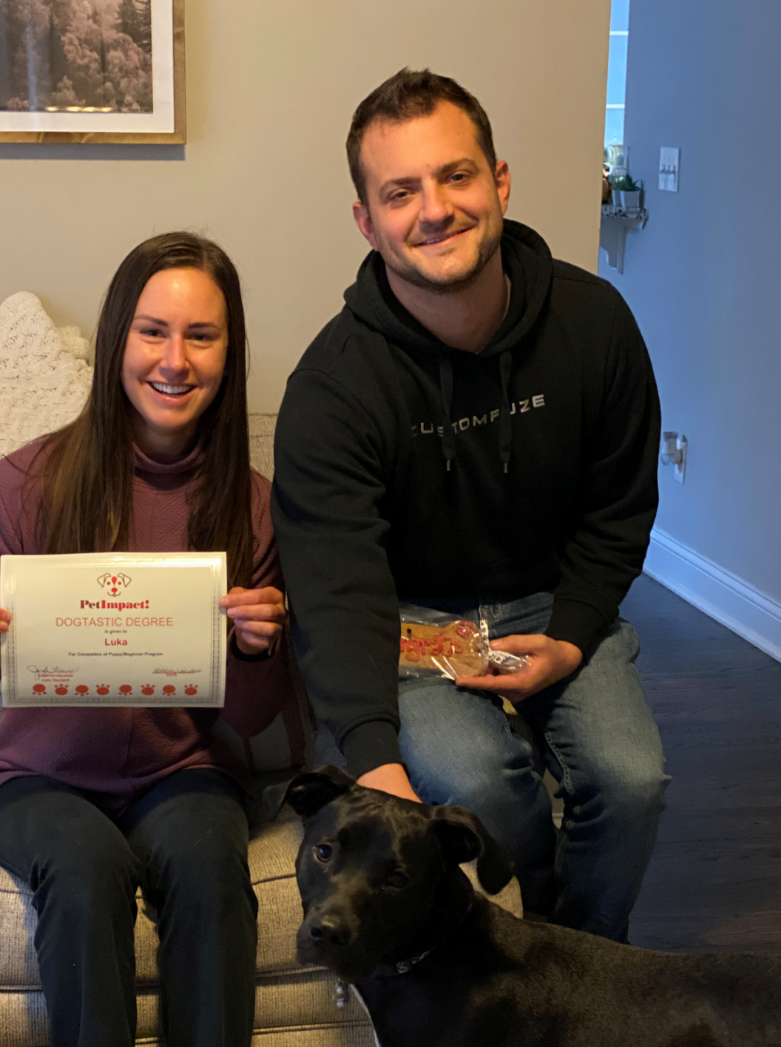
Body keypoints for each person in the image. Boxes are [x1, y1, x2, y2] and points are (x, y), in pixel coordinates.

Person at [0, 232, 288, 1047]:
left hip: (183, 774)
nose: (175, 358)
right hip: (33, 779)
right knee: (83, 876)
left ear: (229, 352)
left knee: (212, 865)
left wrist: (264, 644)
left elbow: (255, 718)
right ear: (118, 341)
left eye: (202, 335)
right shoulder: (24, 482)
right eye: (154, 329)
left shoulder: (252, 504)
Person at [272, 68, 666, 943]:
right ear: (367, 222)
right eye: (400, 192)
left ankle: (584, 958)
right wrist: (375, 760)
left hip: (549, 599)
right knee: (483, 786)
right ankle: (532, 949)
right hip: (415, 626)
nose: (435, 209)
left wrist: (570, 636)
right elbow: (337, 589)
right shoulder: (333, 387)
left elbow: (619, 507)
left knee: (632, 780)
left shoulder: (595, 325)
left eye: (456, 176)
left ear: (500, 182)